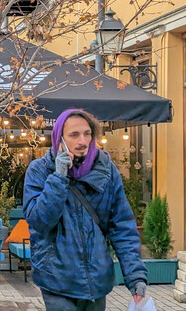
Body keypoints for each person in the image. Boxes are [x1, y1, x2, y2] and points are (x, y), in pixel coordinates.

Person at [23, 109, 147, 310]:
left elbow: (122, 226)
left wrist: (135, 276)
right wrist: (59, 177)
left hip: (97, 280)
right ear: (59, 139)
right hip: (56, 279)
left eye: (87, 134)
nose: (83, 141)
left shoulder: (106, 170)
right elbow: (39, 221)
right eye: (74, 135)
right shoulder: (39, 170)